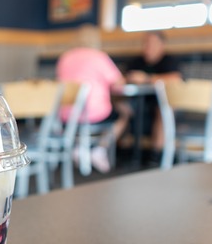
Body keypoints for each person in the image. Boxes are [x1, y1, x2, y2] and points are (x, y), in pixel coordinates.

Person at [57, 25, 132, 173]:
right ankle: (99, 149)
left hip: (65, 116)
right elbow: (119, 84)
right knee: (124, 114)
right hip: (93, 114)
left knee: (87, 115)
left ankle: (79, 147)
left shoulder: (65, 57)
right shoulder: (98, 56)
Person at [125, 31, 183, 163]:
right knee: (122, 107)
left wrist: (146, 78)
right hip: (138, 101)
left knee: (164, 109)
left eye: (151, 43)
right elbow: (124, 79)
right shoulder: (136, 62)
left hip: (162, 102)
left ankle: (156, 155)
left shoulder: (169, 60)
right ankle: (109, 151)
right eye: (145, 43)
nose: (147, 47)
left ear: (161, 45)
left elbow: (176, 79)